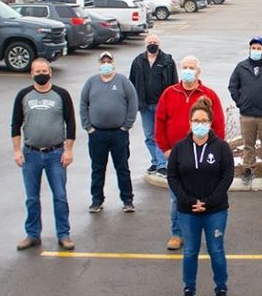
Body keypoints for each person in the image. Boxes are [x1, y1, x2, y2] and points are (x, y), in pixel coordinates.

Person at [166, 97, 235, 296]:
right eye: (196, 120)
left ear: (210, 123)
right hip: (187, 211)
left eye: (203, 120)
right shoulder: (180, 148)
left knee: (216, 250)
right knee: (190, 252)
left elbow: (227, 177)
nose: (199, 124)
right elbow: (173, 177)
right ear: (190, 123)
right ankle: (189, 291)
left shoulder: (221, 147)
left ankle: (221, 291)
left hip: (215, 210)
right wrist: (188, 201)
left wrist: (208, 201)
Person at [155, 56, 225, 250]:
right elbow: (159, 123)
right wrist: (166, 149)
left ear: (198, 72)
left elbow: (218, 125)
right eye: (184, 67)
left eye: (191, 67)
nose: (188, 70)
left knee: (207, 195)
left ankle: (209, 232)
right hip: (177, 158)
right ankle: (177, 233)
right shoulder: (169, 93)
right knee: (176, 197)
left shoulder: (209, 95)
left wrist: (216, 151)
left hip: (204, 158)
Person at [11, 58, 77, 251]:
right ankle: (32, 234)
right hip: (30, 154)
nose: (41, 74)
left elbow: (70, 123)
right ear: (31, 73)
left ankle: (63, 234)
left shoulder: (61, 94)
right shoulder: (23, 95)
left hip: (55, 154)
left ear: (50, 72)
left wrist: (69, 150)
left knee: (60, 196)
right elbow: (15, 124)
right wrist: (16, 150)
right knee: (32, 198)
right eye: (37, 71)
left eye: (44, 70)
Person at [81, 51, 138, 213]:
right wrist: (88, 127)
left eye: (109, 61)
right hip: (97, 134)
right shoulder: (91, 82)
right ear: (99, 64)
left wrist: (127, 125)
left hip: (118, 133)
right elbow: (83, 105)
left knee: (122, 167)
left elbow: (133, 102)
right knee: (98, 168)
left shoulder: (122, 81)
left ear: (113, 63)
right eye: (103, 62)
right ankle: (97, 200)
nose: (106, 64)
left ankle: (128, 200)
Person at [228, 35, 262, 185]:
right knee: (248, 145)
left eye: (258, 48)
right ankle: (247, 169)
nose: (256, 50)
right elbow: (233, 86)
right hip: (247, 115)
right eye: (253, 48)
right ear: (249, 49)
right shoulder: (241, 67)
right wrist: (240, 102)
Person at [128, 34, 178, 176]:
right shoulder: (138, 61)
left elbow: (174, 82)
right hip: (145, 106)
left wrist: (173, 102)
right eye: (150, 42)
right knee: (149, 135)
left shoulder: (167, 60)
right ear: (145, 44)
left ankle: (162, 165)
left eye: (155, 42)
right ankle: (156, 162)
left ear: (159, 44)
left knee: (161, 135)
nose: (152, 44)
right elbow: (131, 82)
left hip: (162, 105)